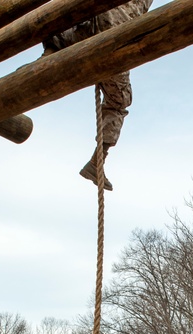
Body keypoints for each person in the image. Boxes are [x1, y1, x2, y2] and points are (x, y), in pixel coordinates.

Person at [42, 0, 154, 191]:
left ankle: (44, 61)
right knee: (119, 102)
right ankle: (97, 161)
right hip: (117, 30)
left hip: (90, 23)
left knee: (57, 33)